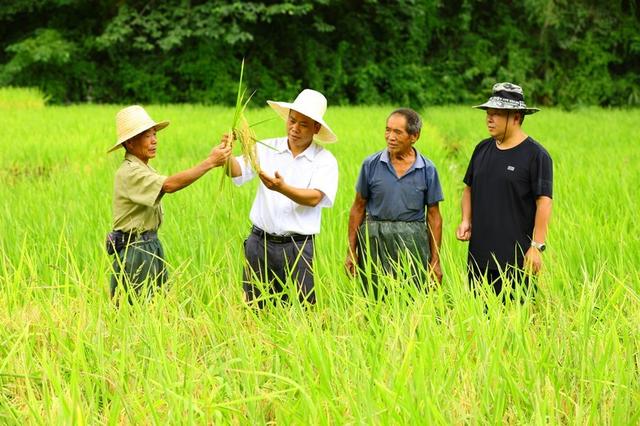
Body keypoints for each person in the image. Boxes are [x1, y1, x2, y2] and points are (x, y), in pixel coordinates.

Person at [225, 89, 339, 307]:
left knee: (302, 309)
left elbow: (315, 197)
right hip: (259, 243)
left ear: (316, 128)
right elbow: (236, 171)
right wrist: (225, 153)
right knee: (254, 307)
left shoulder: (324, 160)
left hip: (298, 247)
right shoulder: (267, 148)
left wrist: (282, 188)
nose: (294, 128)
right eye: (292, 121)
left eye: (303, 124)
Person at [107, 105, 231, 301]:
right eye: (147, 135)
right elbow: (169, 185)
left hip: (150, 245)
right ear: (130, 142)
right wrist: (210, 162)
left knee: (155, 307)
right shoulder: (130, 172)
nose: (154, 140)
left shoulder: (144, 167)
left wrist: (218, 155)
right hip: (136, 250)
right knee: (136, 312)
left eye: (154, 134)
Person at [456, 82, 553, 299]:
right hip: (478, 256)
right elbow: (468, 189)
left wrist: (536, 247)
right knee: (479, 321)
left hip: (516, 259)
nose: (489, 119)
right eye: (488, 113)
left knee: (515, 323)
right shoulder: (482, 149)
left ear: (516, 117)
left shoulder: (536, 155)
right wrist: (465, 220)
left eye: (497, 114)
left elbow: (544, 202)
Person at [345, 108, 444, 298]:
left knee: (412, 298)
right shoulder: (371, 165)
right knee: (374, 298)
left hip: (412, 240)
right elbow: (358, 207)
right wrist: (351, 251)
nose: (390, 137)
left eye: (398, 132)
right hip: (375, 239)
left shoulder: (427, 169)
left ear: (414, 136)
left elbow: (434, 216)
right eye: (387, 130)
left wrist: (435, 260)